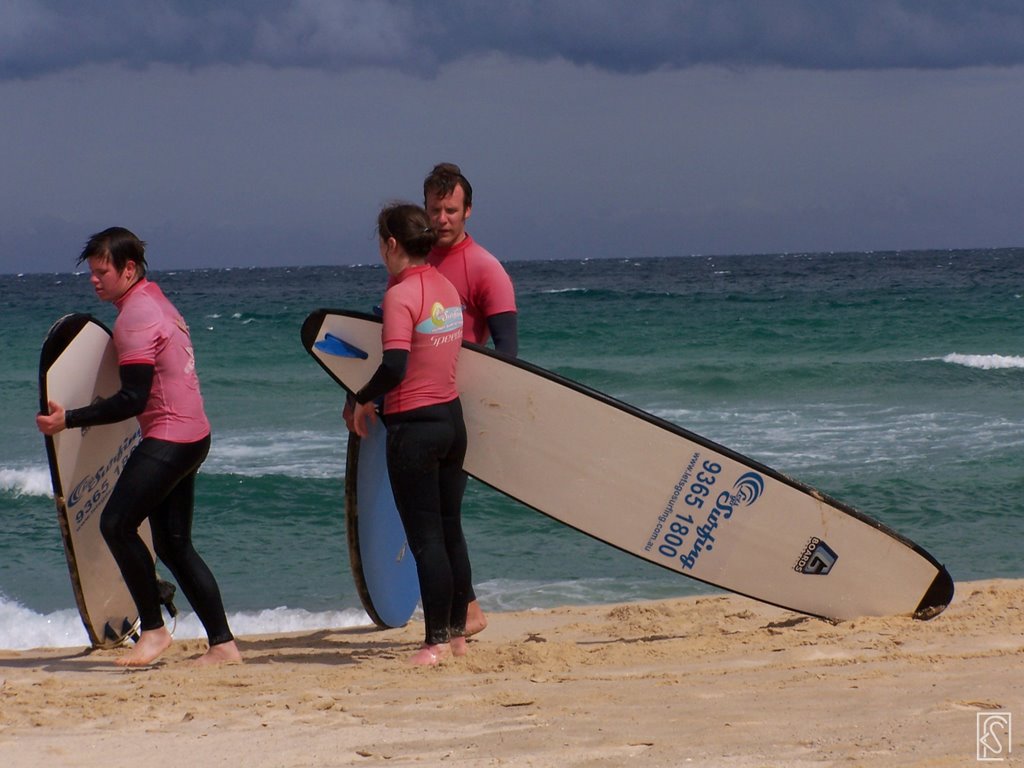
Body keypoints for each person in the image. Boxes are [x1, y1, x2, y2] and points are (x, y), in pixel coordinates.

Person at [36, 227, 242, 668]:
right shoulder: (155, 301)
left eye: (102, 271)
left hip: (170, 435)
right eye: (91, 272)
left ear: (128, 269)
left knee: (116, 524)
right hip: (193, 434)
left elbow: (133, 398)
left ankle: (152, 631)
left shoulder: (134, 318)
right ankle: (223, 646)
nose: (94, 280)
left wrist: (67, 419)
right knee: (173, 544)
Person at [351, 203, 471, 665]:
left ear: (391, 244)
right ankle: (456, 635)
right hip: (451, 421)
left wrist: (363, 397)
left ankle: (435, 642)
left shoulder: (400, 298)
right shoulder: (445, 286)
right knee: (450, 531)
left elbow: (396, 366)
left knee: (426, 539)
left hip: (415, 429)